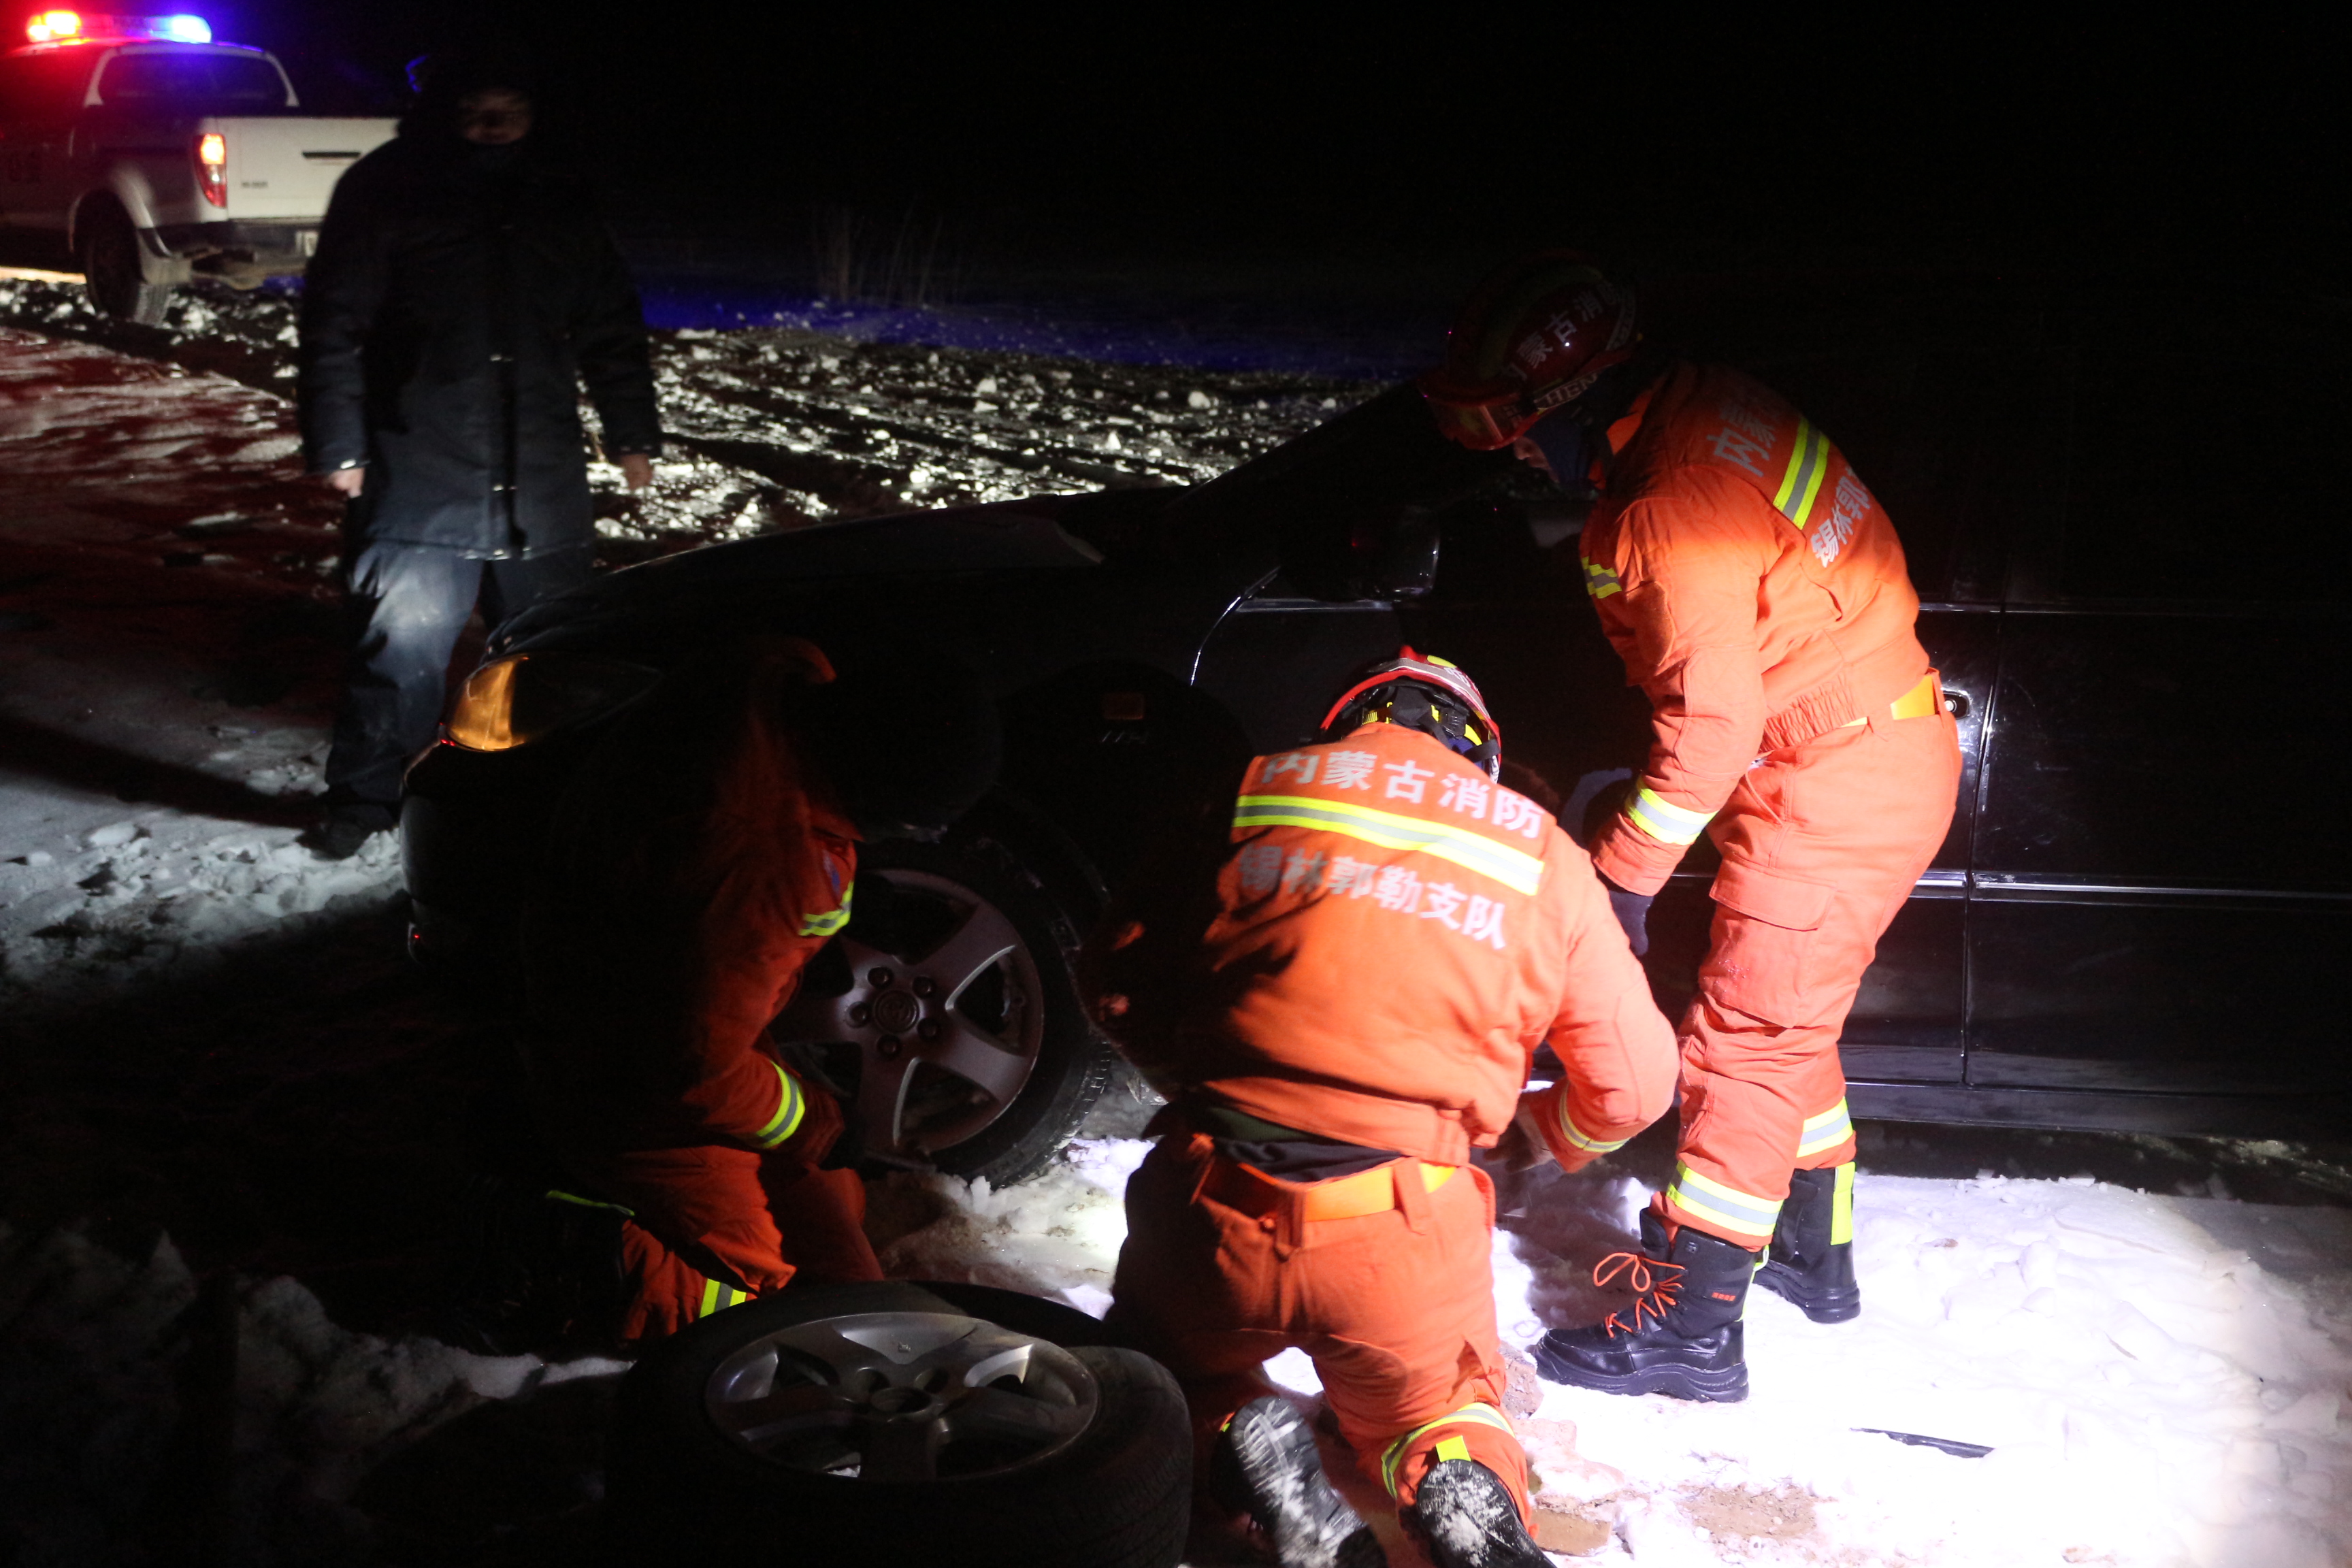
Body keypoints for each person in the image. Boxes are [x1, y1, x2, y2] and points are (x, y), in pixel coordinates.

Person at [1420, 254, 1963, 1402]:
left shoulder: (1674, 506)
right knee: (1783, 1016)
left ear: (1566, 400)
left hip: (1833, 776)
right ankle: (1813, 1250)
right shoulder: (1710, 406)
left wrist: (1620, 876)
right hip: (1854, 750)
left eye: (1514, 424)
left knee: (1745, 1043)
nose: (1515, 450)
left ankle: (1691, 1326)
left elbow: (1711, 727)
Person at [1085, 650, 1676, 1568]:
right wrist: (1531, 1138)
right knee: (1440, 1406)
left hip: (1212, 1208)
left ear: (1346, 730)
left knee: (1156, 1380)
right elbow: (1637, 1084)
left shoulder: (1248, 795)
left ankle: (1238, 1436)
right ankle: (1458, 1484)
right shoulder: (1540, 853)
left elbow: (1113, 985)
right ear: (1481, 753)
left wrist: (1212, 1080)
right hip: (1401, 1223)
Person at [444, 638, 1002, 1350]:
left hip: (605, 1001)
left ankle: (550, 1146)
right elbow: (697, 1070)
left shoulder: (765, 680)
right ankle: (550, 1254)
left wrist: (843, 899)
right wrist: (819, 1126)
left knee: (839, 1213)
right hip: (625, 1080)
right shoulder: (761, 859)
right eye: (902, 824)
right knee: (800, 1299)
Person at [295, 51, 660, 860]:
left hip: (542, 479)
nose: (494, 129)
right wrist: (340, 442)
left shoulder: (558, 193)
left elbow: (610, 322)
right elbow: (332, 326)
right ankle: (364, 801)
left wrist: (632, 430)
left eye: (510, 112)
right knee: (397, 655)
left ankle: (547, 798)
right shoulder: (386, 188)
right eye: (476, 113)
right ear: (443, 112)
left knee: (551, 659)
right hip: (417, 469)